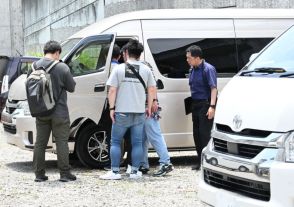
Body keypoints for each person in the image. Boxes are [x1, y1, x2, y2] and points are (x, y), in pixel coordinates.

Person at [100, 39, 156, 180]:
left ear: (125, 52)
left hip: (122, 112)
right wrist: (149, 107)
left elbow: (112, 90)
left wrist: (112, 108)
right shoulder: (146, 69)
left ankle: (114, 172)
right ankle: (135, 171)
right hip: (139, 112)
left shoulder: (119, 69)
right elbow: (152, 89)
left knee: (116, 141)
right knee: (137, 143)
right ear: (140, 54)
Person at [32, 40, 76, 182]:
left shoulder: (33, 66)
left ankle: (39, 174)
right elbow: (71, 87)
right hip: (59, 112)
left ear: (45, 51)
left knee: (40, 143)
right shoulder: (62, 67)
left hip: (41, 111)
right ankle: (64, 174)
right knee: (62, 142)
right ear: (57, 52)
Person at [186, 45, 217, 171]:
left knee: (205, 134)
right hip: (195, 104)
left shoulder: (208, 69)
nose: (187, 60)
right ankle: (200, 161)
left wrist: (212, 106)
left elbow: (213, 88)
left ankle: (208, 163)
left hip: (205, 104)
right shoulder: (192, 69)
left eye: (189, 58)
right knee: (196, 134)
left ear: (197, 58)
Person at [140, 62, 174, 177]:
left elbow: (152, 86)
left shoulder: (144, 66)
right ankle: (143, 164)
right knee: (142, 138)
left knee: (155, 136)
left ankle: (165, 163)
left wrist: (154, 101)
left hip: (147, 107)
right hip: (144, 107)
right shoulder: (144, 65)